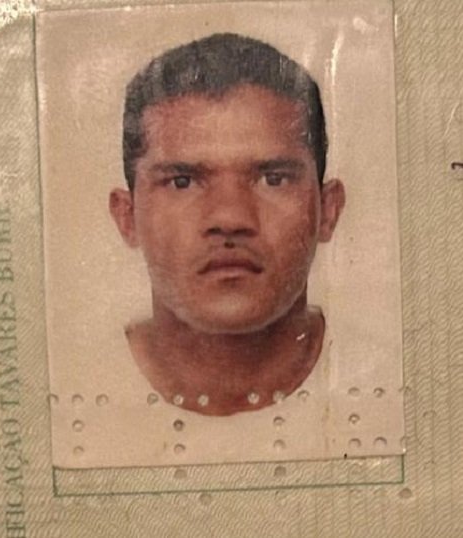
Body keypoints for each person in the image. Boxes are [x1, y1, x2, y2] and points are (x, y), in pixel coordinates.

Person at [109, 33, 345, 417]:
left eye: (273, 179)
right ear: (127, 216)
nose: (230, 218)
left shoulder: (397, 381)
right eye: (182, 182)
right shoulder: (68, 389)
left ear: (328, 210)